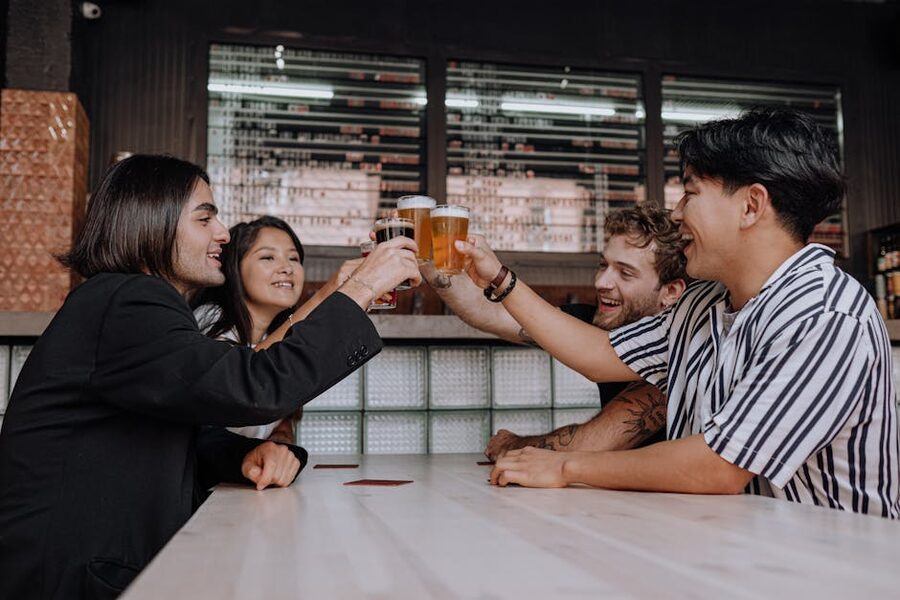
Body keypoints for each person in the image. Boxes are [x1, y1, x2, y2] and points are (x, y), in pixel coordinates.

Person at [0, 154, 420, 599]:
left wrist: (241, 456)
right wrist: (359, 290)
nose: (223, 233)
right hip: (70, 580)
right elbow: (254, 387)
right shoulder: (128, 300)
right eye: (206, 219)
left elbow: (173, 430)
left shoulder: (124, 301)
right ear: (152, 223)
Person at [459, 109, 899, 518]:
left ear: (751, 205)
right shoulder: (704, 301)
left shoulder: (825, 315)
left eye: (689, 193)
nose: (676, 212)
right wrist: (498, 277)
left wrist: (565, 467)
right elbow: (598, 353)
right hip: (732, 547)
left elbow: (719, 466)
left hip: (829, 563)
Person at [427, 205, 687, 459]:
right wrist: (424, 254)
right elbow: (486, 311)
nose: (601, 282)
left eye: (626, 273)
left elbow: (592, 444)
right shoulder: (597, 321)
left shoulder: (676, 344)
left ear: (670, 293)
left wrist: (512, 445)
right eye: (602, 265)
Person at [191, 216, 363, 444]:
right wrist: (326, 295)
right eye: (268, 257)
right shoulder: (211, 319)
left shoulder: (275, 333)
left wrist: (279, 443)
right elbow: (240, 389)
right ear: (234, 268)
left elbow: (277, 418)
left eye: (293, 258)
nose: (287, 268)